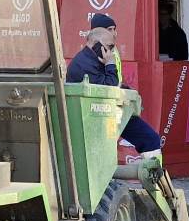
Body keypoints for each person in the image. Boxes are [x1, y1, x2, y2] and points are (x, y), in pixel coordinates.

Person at [66, 13, 162, 162]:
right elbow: (109, 88)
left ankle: (155, 175)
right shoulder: (88, 62)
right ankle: (153, 176)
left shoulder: (97, 57)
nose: (114, 34)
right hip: (101, 114)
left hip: (109, 111)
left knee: (150, 139)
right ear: (96, 42)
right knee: (148, 138)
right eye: (110, 30)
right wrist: (110, 63)